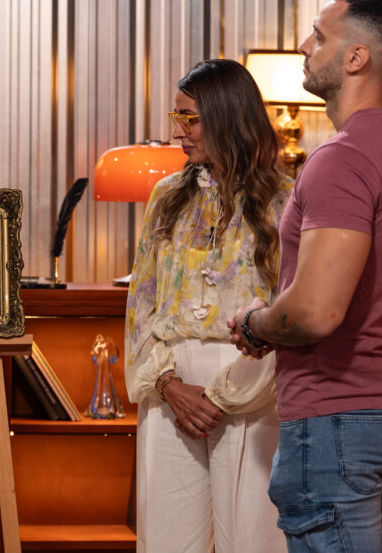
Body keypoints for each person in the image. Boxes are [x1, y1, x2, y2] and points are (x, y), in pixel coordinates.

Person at [228, 0, 382, 552]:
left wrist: (255, 324)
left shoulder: (342, 159)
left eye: (318, 36)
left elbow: (315, 313)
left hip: (336, 417)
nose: (303, 45)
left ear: (355, 58)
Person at [125, 58, 292, 552]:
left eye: (190, 118)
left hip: (253, 388)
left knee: (252, 539)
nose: (177, 131)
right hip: (170, 388)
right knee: (167, 541)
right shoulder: (166, 196)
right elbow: (142, 304)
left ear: (228, 116)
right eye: (176, 117)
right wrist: (166, 384)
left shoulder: (284, 200)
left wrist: (223, 395)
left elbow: (289, 311)